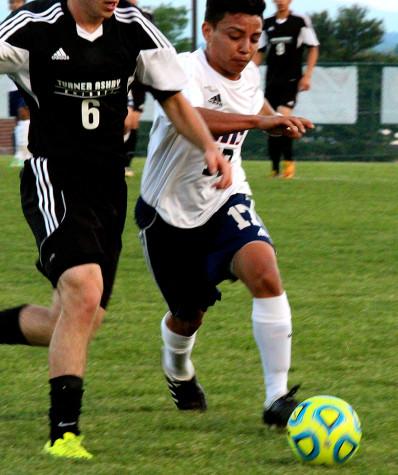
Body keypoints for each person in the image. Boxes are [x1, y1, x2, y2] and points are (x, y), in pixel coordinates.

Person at [0, 0, 231, 460]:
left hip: (107, 187)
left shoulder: (133, 27)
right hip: (55, 178)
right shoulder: (34, 27)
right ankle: (63, 434)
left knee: (77, 319)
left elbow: (172, 97)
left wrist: (208, 145)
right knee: (84, 290)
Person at [135, 0, 313, 428]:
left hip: (224, 199)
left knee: (265, 270)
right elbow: (189, 117)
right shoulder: (179, 69)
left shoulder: (250, 72)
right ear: (207, 29)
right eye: (234, 36)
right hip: (168, 214)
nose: (246, 48)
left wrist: (277, 118)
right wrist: (257, 121)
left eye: (254, 38)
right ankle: (179, 371)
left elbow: (254, 102)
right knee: (188, 314)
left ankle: (277, 399)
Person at [256, 0, 319, 178]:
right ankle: (275, 169)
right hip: (271, 81)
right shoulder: (266, 23)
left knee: (283, 119)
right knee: (271, 122)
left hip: (291, 80)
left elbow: (313, 48)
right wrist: (248, 74)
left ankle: (289, 165)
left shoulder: (299, 21)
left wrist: (307, 75)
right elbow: (259, 51)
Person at [123, 0, 154, 177]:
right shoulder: (113, 12)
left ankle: (126, 162)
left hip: (139, 78)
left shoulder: (145, 15)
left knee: (133, 121)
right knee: (124, 120)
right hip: (123, 74)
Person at [7, 0, 31, 167]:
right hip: (12, 82)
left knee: (25, 113)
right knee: (19, 116)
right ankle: (20, 152)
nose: (13, 5)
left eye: (16, 2)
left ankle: (25, 154)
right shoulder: (8, 23)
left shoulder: (30, 21)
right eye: (11, 3)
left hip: (28, 80)